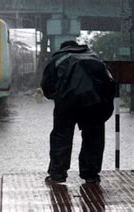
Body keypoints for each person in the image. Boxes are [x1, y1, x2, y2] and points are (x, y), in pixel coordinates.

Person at [41, 40, 115, 184]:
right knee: (94, 138)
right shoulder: (95, 58)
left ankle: (58, 175)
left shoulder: (57, 60)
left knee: (61, 136)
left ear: (63, 48)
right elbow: (110, 83)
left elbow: (47, 86)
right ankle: (91, 175)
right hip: (95, 103)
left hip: (67, 103)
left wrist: (57, 96)